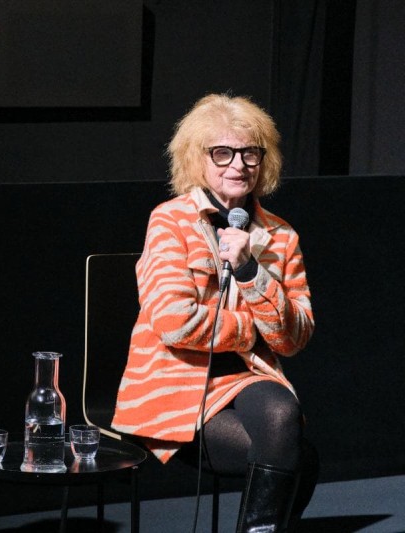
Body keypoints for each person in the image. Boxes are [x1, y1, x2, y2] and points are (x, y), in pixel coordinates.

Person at [111, 93, 319, 532]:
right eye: (221, 152)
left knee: (283, 417)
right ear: (197, 160)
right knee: (298, 452)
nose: (237, 165)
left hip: (245, 377)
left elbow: (294, 338)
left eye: (250, 153)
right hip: (176, 385)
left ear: (265, 161)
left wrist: (249, 270)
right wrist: (250, 329)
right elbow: (174, 321)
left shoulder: (281, 236)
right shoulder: (170, 221)